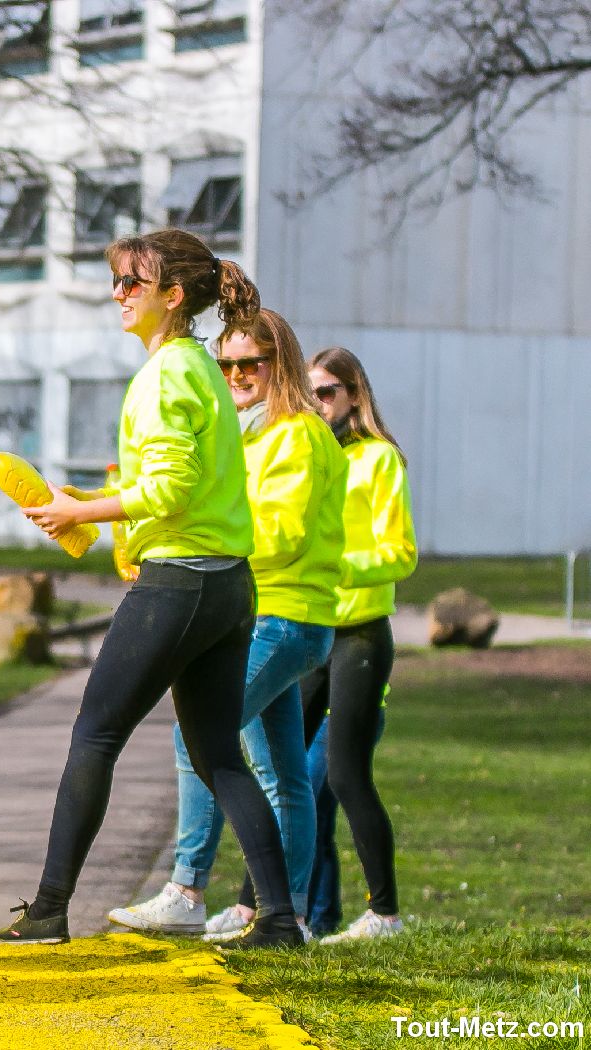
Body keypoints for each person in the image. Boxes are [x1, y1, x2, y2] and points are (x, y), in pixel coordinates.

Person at [0, 228, 303, 949]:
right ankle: (280, 921)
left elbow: (169, 488)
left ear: (173, 295)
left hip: (180, 584)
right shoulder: (198, 367)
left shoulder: (166, 374)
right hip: (226, 586)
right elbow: (179, 485)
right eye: (115, 281)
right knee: (217, 754)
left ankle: (48, 911)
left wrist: (79, 514)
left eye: (132, 282)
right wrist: (94, 504)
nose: (118, 294)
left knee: (95, 733)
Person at [107, 308, 346, 942]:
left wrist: (211, 549)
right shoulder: (252, 434)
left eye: (250, 364)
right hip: (268, 615)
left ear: (280, 364)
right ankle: (283, 915)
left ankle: (187, 890)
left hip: (283, 616)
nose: (236, 375)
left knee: (198, 737)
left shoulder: (297, 435)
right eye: (226, 364)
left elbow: (285, 534)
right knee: (282, 776)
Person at [223, 346, 414, 942]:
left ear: (355, 395)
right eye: (311, 392)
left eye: (328, 391)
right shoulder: (306, 448)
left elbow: (401, 553)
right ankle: (260, 908)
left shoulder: (379, 459)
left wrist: (335, 567)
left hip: (359, 636)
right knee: (286, 775)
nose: (319, 402)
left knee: (346, 775)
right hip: (313, 628)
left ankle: (385, 914)